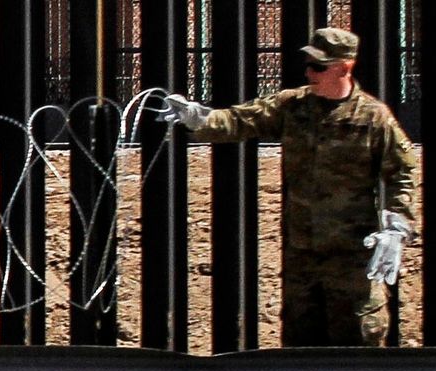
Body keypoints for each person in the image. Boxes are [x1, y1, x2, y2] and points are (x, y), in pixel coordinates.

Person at [159, 27, 417, 347]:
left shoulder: (373, 118)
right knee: (300, 343)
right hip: (302, 256)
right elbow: (243, 119)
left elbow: (402, 172)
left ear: (344, 68)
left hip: (351, 257)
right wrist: (199, 119)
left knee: (357, 341)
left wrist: (396, 227)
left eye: (319, 66)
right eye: (308, 65)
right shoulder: (293, 106)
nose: (310, 73)